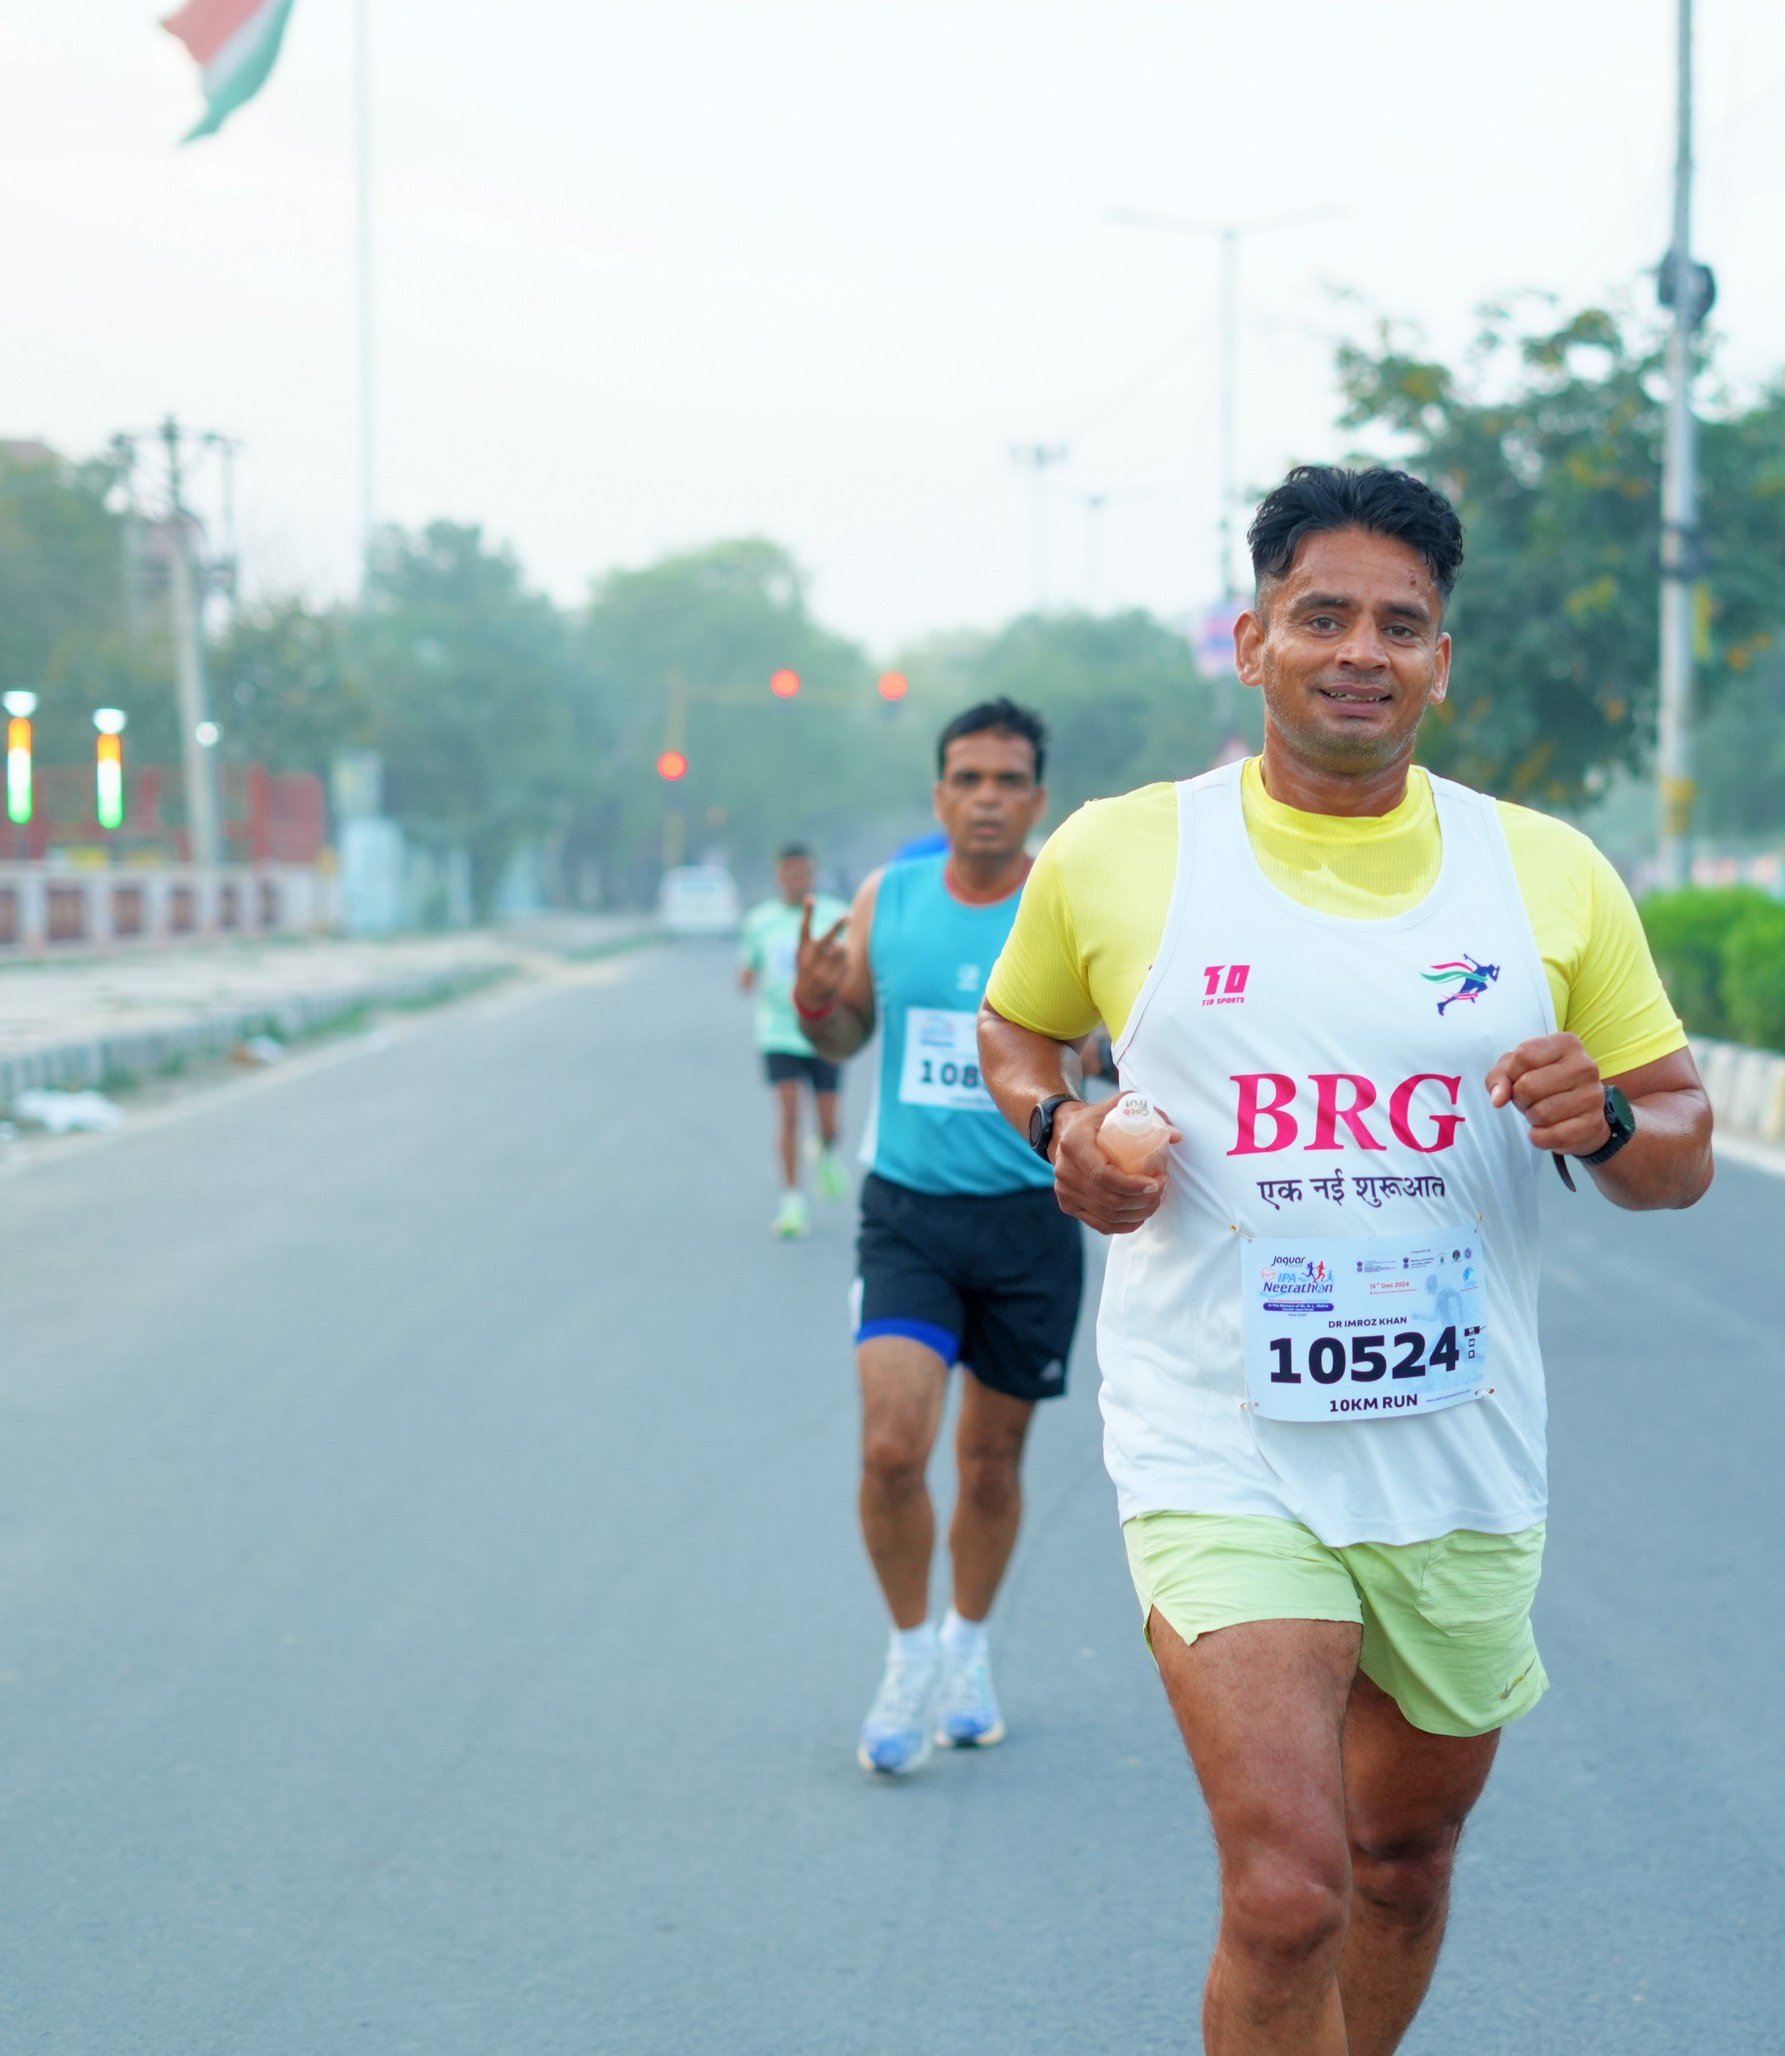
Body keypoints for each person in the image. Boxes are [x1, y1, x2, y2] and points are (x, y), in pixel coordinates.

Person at [976, 465, 1714, 2056]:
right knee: (1289, 1892)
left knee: (1401, 1865)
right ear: (1254, 643)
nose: (1361, 651)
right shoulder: (1119, 854)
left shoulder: (1548, 873)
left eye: (1402, 623)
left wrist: (1601, 1123)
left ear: (1444, 661)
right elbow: (1018, 1033)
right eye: (1322, 616)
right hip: (1219, 1444)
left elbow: (1681, 1148)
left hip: (1460, 1456)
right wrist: (1063, 1132)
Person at [791, 699, 1085, 1776]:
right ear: (940, 795)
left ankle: (968, 1648)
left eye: (1008, 781)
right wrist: (816, 1008)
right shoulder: (890, 897)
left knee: (992, 1465)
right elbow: (848, 1032)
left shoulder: (1069, 907)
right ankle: (909, 1653)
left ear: (1037, 799)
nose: (987, 799)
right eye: (968, 779)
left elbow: (1114, 1049)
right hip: (909, 1216)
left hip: (1029, 1223)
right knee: (890, 1449)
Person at [737, 842, 851, 1237]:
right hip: (779, 1032)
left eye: (803, 874)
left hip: (823, 1031)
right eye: (789, 874)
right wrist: (751, 976)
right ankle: (791, 1202)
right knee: (788, 1112)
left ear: (813, 875)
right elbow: (746, 974)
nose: (796, 881)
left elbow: (852, 968)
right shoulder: (760, 922)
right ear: (778, 876)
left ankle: (825, 1150)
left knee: (830, 1123)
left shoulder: (836, 916)